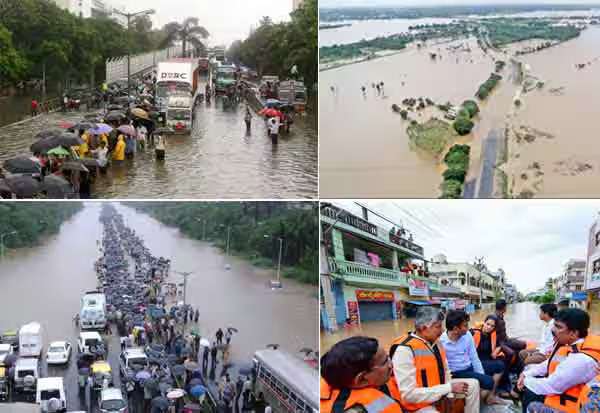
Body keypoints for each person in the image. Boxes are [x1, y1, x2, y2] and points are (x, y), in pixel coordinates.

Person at [391, 306, 480, 412]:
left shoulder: (437, 343)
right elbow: (409, 395)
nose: (442, 331)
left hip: (440, 390)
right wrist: (448, 388)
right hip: (419, 405)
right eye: (438, 327)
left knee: (473, 385)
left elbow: (446, 371)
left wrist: (449, 394)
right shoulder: (404, 350)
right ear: (424, 328)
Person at [517, 308, 600, 413]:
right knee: (531, 379)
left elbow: (552, 385)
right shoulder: (572, 344)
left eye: (558, 327)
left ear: (573, 333)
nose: (553, 330)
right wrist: (526, 373)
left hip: (571, 405)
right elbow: (549, 363)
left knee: (531, 400)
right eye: (554, 325)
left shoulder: (581, 360)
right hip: (563, 387)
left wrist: (524, 381)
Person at [321, 336, 404, 413]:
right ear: (362, 379)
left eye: (388, 357)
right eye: (385, 362)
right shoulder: (357, 409)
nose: (391, 365)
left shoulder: (338, 378)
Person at [440, 310, 505, 405]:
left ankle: (489, 397)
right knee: (488, 382)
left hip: (469, 366)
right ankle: (477, 399)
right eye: (465, 326)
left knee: (499, 367)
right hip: (456, 372)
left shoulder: (467, 336)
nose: (468, 328)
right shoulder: (441, 341)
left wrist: (481, 376)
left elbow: (474, 358)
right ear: (455, 329)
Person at [470, 315, 512, 399]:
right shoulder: (473, 333)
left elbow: (499, 344)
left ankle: (505, 388)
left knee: (503, 360)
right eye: (487, 324)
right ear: (484, 323)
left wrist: (498, 349)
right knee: (500, 365)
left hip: (487, 360)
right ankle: (491, 396)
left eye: (492, 326)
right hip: (477, 362)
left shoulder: (492, 334)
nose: (489, 327)